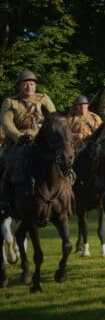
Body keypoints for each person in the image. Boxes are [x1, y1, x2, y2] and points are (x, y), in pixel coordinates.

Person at [0, 71, 57, 217]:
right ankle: (4, 199)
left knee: (60, 160)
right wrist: (19, 137)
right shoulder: (10, 102)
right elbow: (7, 124)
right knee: (8, 163)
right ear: (19, 86)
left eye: (32, 83)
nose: (29, 86)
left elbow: (53, 119)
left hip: (42, 140)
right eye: (25, 84)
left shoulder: (43, 99)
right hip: (19, 142)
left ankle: (66, 194)